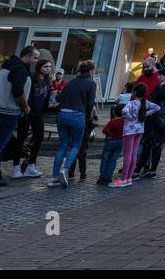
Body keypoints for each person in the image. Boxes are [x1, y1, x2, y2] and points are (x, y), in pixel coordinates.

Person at [0, 46, 36, 186]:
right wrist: (25, 106)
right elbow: (17, 91)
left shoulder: (10, 65)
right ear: (26, 56)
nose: (36, 61)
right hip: (8, 110)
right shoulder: (19, 68)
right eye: (35, 57)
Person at [50, 60, 97, 188]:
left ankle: (53, 177)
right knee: (76, 145)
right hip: (78, 115)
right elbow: (89, 104)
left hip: (63, 115)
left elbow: (58, 99)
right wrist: (88, 117)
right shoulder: (91, 84)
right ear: (91, 71)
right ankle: (65, 170)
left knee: (63, 146)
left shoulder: (71, 83)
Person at [111, 82, 160, 187]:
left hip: (129, 130)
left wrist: (130, 117)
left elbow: (124, 111)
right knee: (133, 154)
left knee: (127, 155)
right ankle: (129, 178)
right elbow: (157, 108)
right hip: (140, 129)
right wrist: (144, 115)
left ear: (135, 92)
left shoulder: (131, 103)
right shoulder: (145, 103)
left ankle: (124, 179)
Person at [11, 59, 53, 179]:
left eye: (49, 67)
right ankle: (15, 167)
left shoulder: (47, 81)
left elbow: (46, 96)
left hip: (39, 113)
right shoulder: (32, 78)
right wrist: (25, 108)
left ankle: (31, 165)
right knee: (21, 138)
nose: (48, 69)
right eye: (46, 66)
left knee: (39, 137)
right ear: (39, 67)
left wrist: (47, 107)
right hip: (27, 112)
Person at [137, 67, 165, 178]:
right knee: (147, 144)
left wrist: (160, 85)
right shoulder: (162, 85)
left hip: (161, 121)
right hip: (152, 119)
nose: (158, 77)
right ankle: (140, 169)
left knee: (156, 145)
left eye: (160, 75)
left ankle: (151, 170)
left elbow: (161, 94)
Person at [96, 104, 125, 185]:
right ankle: (108, 177)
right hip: (120, 141)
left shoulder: (112, 121)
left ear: (114, 112)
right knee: (113, 159)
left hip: (110, 141)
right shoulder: (124, 122)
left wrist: (110, 134)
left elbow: (104, 130)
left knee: (105, 158)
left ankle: (102, 177)